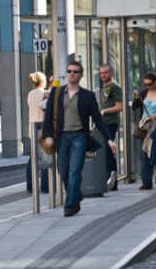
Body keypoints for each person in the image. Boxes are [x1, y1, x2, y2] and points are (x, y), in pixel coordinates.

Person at [42, 61, 118, 217]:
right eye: (69, 71)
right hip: (61, 137)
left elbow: (98, 120)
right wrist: (48, 136)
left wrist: (109, 140)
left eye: (76, 72)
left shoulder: (88, 96)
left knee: (75, 171)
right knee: (62, 170)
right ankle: (77, 196)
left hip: (79, 137)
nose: (72, 74)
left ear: (81, 75)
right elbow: (48, 117)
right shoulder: (56, 93)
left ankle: (69, 206)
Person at [132, 72, 156, 190]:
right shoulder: (144, 93)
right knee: (146, 154)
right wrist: (136, 98)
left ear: (155, 83)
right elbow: (135, 107)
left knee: (154, 153)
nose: (147, 87)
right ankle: (148, 182)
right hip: (146, 126)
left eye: (149, 84)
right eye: (145, 85)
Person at [99, 64, 123, 191]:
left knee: (109, 151)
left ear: (112, 73)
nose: (103, 75)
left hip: (110, 122)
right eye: (101, 73)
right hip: (103, 123)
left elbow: (120, 106)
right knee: (105, 152)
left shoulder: (114, 87)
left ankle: (112, 179)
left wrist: (105, 111)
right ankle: (109, 179)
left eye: (106, 72)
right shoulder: (105, 88)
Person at [26, 71, 49, 193]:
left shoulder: (30, 94)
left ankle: (30, 185)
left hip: (32, 128)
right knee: (46, 156)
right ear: (43, 81)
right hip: (43, 128)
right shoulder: (45, 93)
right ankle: (45, 185)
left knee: (33, 157)